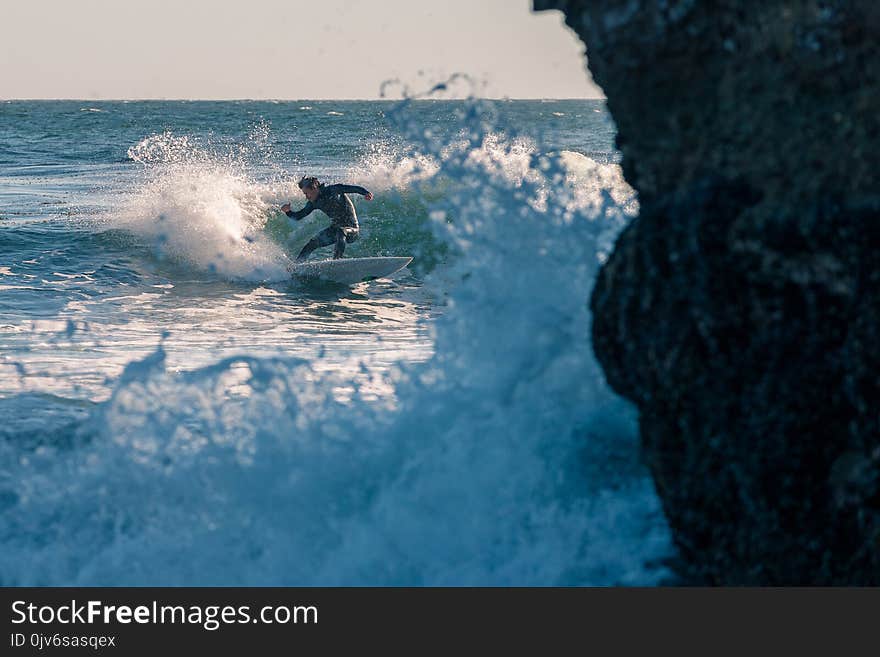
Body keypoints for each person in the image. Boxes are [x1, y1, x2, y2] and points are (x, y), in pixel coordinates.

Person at [281, 176, 373, 261]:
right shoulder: (313, 203)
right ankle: (297, 266)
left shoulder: (333, 190)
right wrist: (288, 211)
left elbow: (353, 188)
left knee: (341, 231)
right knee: (312, 243)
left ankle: (337, 261)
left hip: (352, 230)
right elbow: (298, 216)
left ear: (314, 188)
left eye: (306, 193)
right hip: (335, 229)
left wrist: (366, 193)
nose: (306, 197)